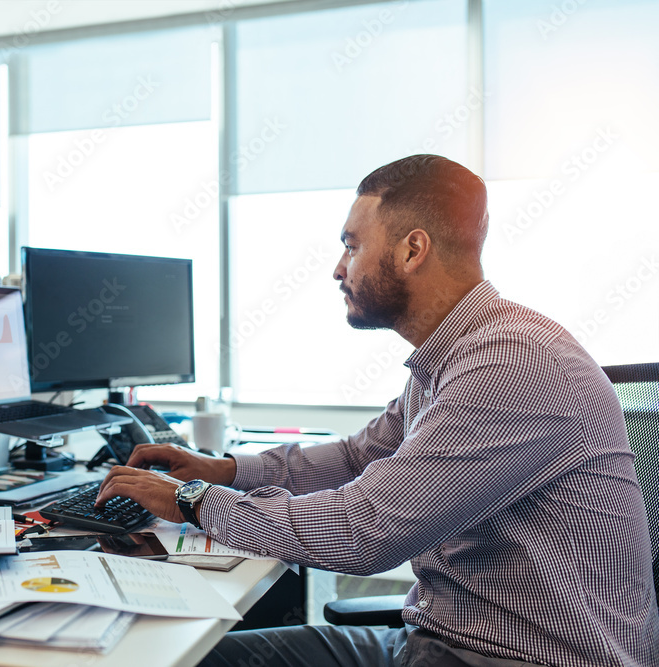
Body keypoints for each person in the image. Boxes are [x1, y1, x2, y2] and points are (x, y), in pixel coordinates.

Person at [96, 155, 659, 666]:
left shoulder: (511, 363)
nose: (338, 269)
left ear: (412, 250)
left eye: (351, 245)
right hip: (442, 640)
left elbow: (364, 532)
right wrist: (228, 471)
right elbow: (357, 456)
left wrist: (192, 501)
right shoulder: (458, 354)